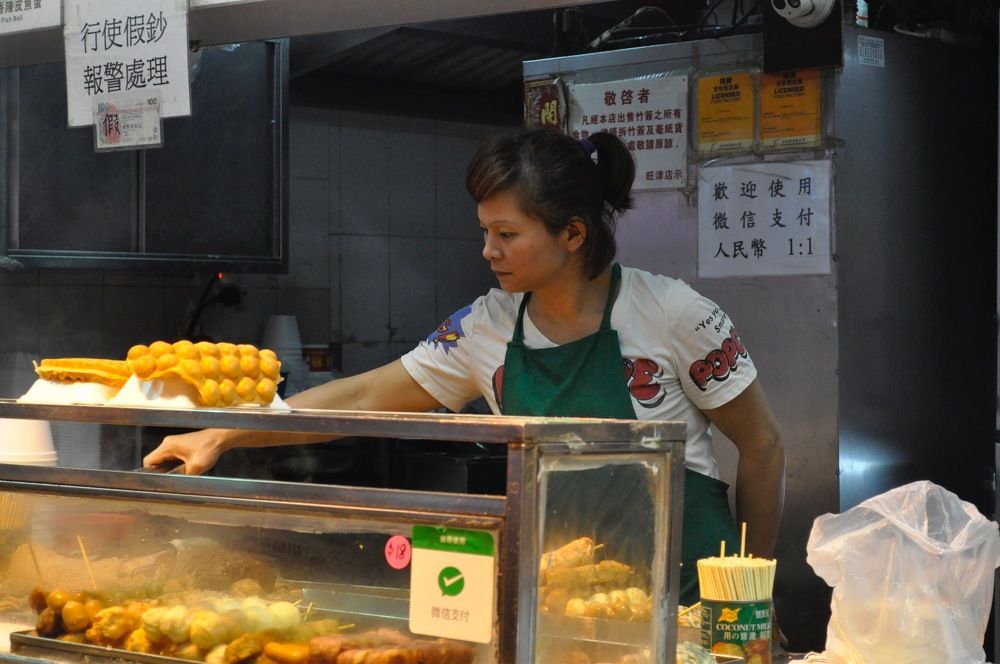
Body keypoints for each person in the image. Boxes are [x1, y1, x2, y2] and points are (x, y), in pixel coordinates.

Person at [144, 128, 785, 606]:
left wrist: (751, 596)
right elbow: (364, 396)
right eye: (484, 232)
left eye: (507, 234)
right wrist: (226, 431)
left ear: (573, 234)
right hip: (564, 601)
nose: (487, 251)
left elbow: (762, 446)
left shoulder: (674, 313)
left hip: (691, 601)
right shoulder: (487, 325)